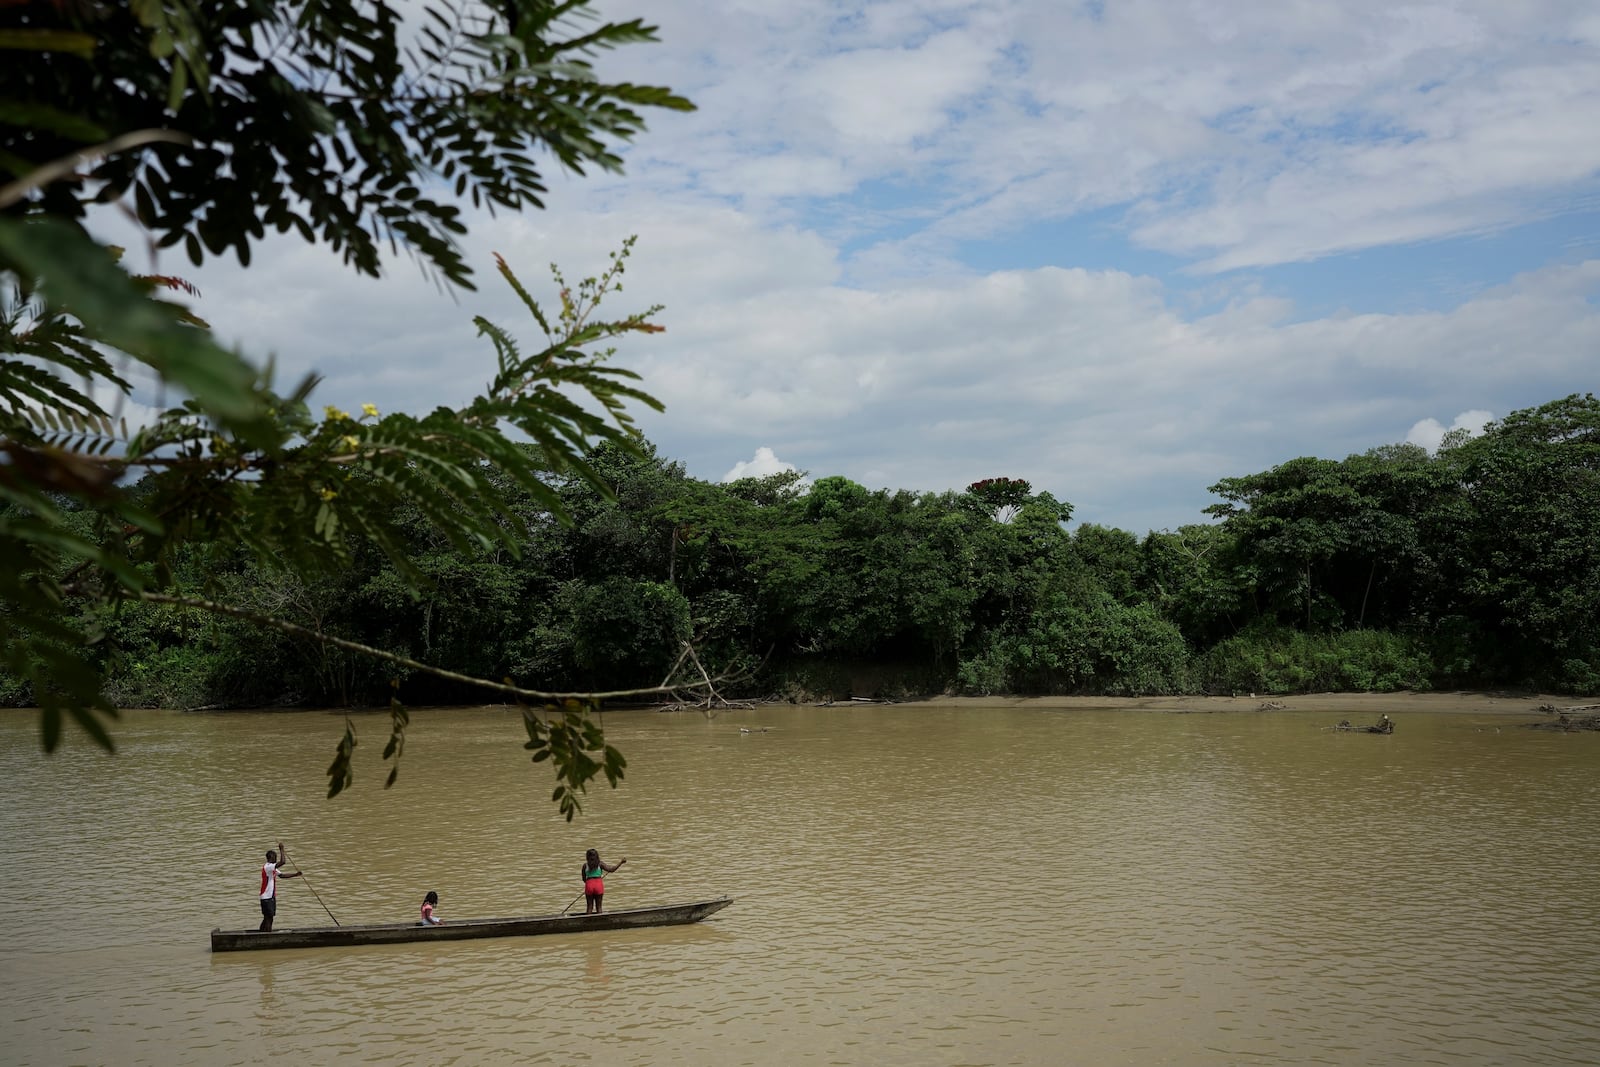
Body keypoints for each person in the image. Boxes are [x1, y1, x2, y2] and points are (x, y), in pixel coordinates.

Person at [259, 841, 303, 931]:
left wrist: (295, 874)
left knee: (267, 917)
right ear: (271, 858)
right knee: (269, 918)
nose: (276, 859)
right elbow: (283, 862)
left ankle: (261, 933)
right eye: (275, 857)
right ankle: (267, 936)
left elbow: (282, 876)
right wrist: (282, 850)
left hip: (269, 897)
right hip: (267, 897)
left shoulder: (272, 868)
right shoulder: (268, 867)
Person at [581, 848, 626, 914]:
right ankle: (600, 921)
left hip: (589, 885)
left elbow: (584, 879)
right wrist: (621, 862)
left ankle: (588, 922)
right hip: (598, 885)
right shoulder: (600, 864)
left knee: (589, 906)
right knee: (599, 907)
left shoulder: (585, 866)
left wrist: (589, 884)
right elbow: (611, 869)